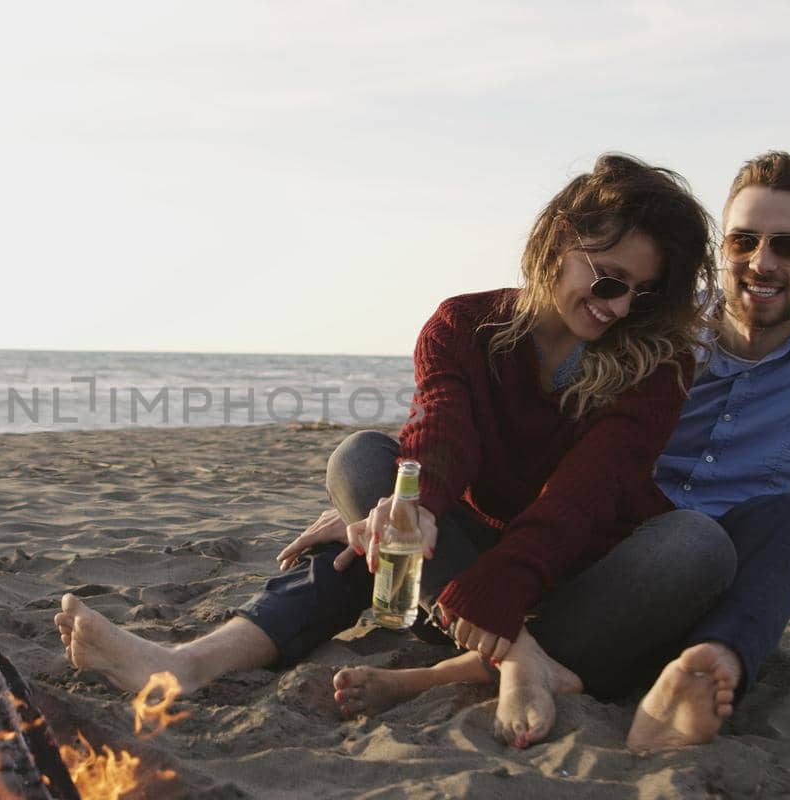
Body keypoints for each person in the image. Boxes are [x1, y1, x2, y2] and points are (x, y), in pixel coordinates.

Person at [55, 153, 729, 749]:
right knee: (367, 471)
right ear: (558, 241)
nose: (617, 310)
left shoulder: (656, 361)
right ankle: (192, 664)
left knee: (697, 546)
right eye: (608, 281)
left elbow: (587, 492)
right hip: (464, 582)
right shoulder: (463, 325)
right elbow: (442, 429)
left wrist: (498, 585)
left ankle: (489, 657)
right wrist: (418, 508)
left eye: (641, 297)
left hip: (582, 582)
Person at [325, 151, 790, 751]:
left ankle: (706, 668)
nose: (762, 262)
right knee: (359, 458)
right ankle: (508, 660)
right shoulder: (650, 323)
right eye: (743, 241)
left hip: (698, 580)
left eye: (787, 245)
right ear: (721, 249)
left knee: (777, 521)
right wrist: (413, 498)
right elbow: (513, 436)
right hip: (588, 546)